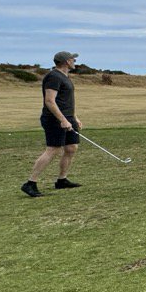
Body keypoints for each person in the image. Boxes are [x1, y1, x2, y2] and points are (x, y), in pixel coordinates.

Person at [21, 51, 83, 198]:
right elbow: (50, 101)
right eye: (72, 59)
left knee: (71, 148)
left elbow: (65, 100)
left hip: (68, 118)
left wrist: (74, 117)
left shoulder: (65, 76)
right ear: (66, 61)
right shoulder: (53, 76)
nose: (74, 60)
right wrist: (62, 119)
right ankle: (30, 183)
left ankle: (62, 180)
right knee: (53, 149)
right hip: (54, 119)